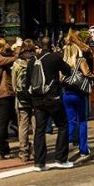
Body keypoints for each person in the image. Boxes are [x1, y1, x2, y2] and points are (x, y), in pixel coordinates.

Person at [29, 41, 72, 171]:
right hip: (52, 98)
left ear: (40, 47)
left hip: (37, 100)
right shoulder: (55, 58)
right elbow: (68, 71)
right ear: (51, 47)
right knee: (63, 125)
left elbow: (27, 83)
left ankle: (39, 163)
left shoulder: (32, 61)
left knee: (39, 130)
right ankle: (61, 159)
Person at [61, 30, 94, 160]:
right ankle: (83, 149)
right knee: (82, 121)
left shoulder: (62, 61)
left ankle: (65, 147)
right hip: (79, 94)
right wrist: (93, 78)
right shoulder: (81, 60)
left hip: (66, 94)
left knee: (71, 121)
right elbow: (86, 73)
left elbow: (60, 77)